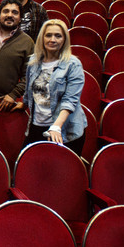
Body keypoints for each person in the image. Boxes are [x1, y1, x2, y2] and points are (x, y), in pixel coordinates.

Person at [24, 19, 87, 156]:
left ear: (64, 39)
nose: (52, 40)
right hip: (37, 125)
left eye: (58, 36)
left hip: (64, 129)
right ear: (42, 38)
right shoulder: (34, 61)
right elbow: (29, 91)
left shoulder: (73, 64)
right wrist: (23, 104)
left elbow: (70, 100)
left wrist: (56, 126)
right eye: (48, 35)